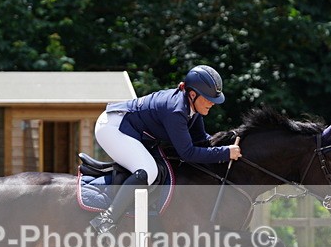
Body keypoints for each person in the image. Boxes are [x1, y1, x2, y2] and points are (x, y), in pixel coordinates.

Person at [89, 65, 241, 235]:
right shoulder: (176, 110)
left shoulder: (191, 107)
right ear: (193, 94)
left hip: (130, 129)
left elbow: (201, 139)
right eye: (208, 98)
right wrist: (225, 153)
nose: (212, 103)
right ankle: (106, 220)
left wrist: (226, 143)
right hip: (113, 128)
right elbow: (188, 153)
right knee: (148, 171)